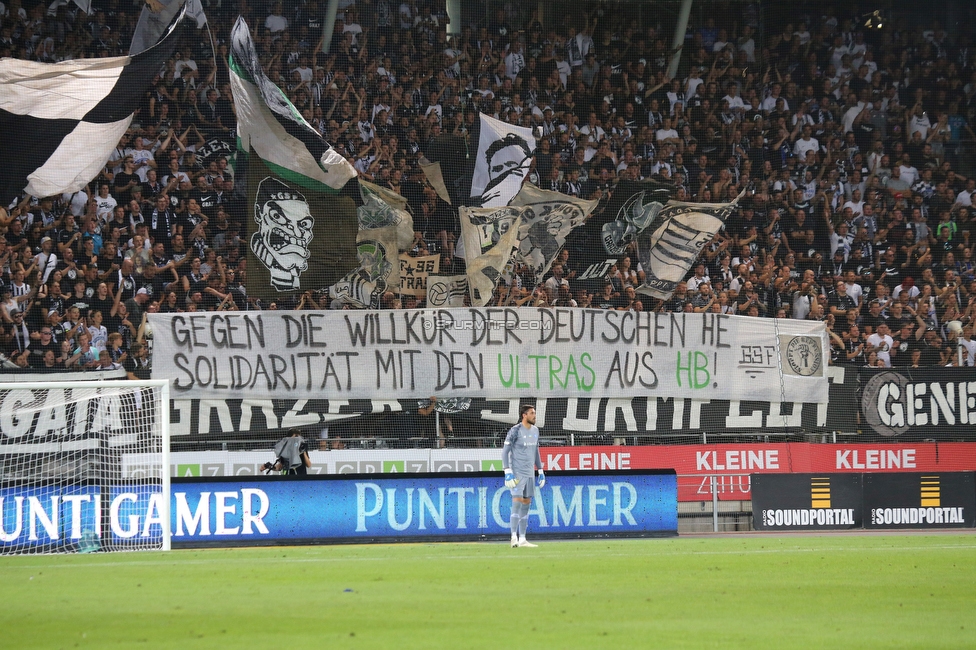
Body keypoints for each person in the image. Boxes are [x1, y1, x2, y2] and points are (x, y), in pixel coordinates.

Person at [502, 404, 545, 548]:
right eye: (532, 413)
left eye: (535, 413)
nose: (534, 415)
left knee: (526, 505)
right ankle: (513, 537)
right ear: (524, 415)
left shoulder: (535, 431)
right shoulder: (515, 430)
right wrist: (507, 471)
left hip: (530, 474)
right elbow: (505, 451)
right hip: (517, 473)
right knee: (517, 503)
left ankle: (523, 539)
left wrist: (540, 470)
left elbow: (536, 451)